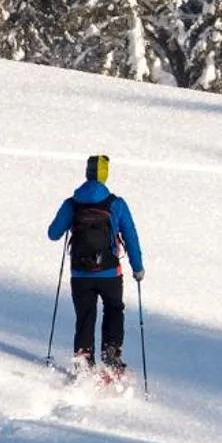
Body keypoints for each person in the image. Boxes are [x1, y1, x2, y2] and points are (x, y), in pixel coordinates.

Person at [46, 154, 144, 379]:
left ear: (87, 173)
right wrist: (137, 268)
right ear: (105, 175)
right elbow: (131, 236)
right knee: (114, 309)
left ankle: (83, 357)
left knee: (85, 314)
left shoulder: (72, 203)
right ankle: (111, 354)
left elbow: (53, 234)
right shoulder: (116, 204)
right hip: (110, 272)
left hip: (80, 274)